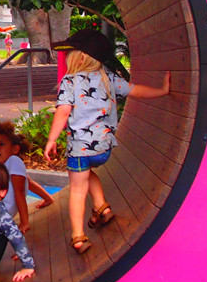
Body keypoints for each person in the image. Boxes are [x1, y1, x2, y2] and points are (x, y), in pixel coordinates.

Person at [44, 30, 170, 255]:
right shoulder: (108, 77)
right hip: (103, 148)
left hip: (81, 148)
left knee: (77, 189)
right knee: (84, 173)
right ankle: (102, 207)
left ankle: (78, 237)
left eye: (71, 51)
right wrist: (162, 91)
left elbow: (63, 112)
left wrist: (52, 139)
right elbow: (135, 90)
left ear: (81, 57)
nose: (68, 55)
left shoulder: (70, 81)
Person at [0, 121, 53, 234]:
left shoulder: (14, 161)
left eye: (1, 144)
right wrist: (48, 198)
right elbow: (29, 183)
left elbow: (19, 191)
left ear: (15, 149)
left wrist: (24, 222)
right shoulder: (8, 166)